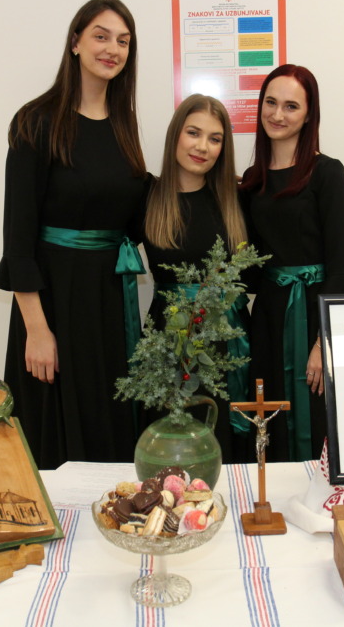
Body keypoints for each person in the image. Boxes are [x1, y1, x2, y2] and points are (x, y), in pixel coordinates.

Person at [0, 0, 147, 469]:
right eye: (101, 36)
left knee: (107, 424)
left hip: (108, 304)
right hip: (53, 304)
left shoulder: (124, 125)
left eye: (123, 41)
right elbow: (18, 240)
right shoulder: (35, 121)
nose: (112, 49)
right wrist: (37, 331)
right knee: (53, 436)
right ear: (75, 42)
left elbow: (137, 211)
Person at [240, 65, 344, 462]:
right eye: (270, 103)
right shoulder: (251, 181)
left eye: (291, 106)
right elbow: (250, 267)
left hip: (314, 314)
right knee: (269, 417)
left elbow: (341, 268)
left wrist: (324, 342)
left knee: (320, 415)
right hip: (269, 318)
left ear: (309, 115)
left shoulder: (327, 173)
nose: (278, 114)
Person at [143, 94, 249, 462]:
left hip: (227, 338)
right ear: (175, 135)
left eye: (215, 138)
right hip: (167, 338)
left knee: (226, 441)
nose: (202, 146)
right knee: (171, 445)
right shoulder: (147, 197)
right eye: (193, 133)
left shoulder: (236, 199)